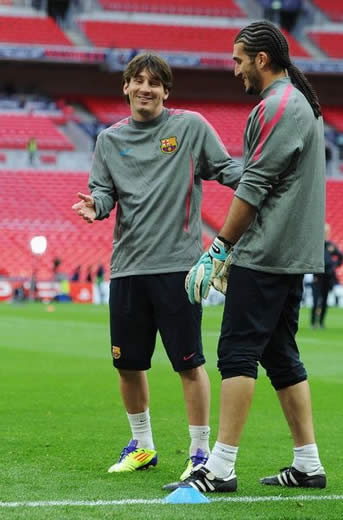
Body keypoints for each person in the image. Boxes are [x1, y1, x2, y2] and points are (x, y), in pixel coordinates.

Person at [167, 20, 327, 493]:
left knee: (237, 353)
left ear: (261, 59)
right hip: (289, 253)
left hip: (267, 252)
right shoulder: (298, 105)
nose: (234, 69)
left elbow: (255, 188)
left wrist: (218, 249)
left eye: (238, 60)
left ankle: (220, 467)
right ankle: (308, 465)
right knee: (281, 356)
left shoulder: (277, 106)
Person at [72, 53, 241, 478]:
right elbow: (103, 192)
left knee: (188, 363)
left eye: (155, 82)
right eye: (138, 80)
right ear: (125, 87)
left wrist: (264, 178)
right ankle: (143, 445)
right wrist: (96, 205)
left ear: (166, 91)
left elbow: (224, 168)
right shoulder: (108, 140)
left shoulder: (189, 127)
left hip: (179, 269)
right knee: (127, 364)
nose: (145, 88)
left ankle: (200, 452)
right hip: (127, 268)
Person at [311, 223, 343, 329]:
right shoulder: (315, 244)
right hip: (317, 277)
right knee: (316, 301)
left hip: (328, 277)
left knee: (325, 300)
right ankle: (313, 322)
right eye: (324, 231)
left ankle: (321, 322)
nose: (325, 234)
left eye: (327, 232)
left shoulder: (331, 245)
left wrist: (334, 265)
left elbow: (341, 257)